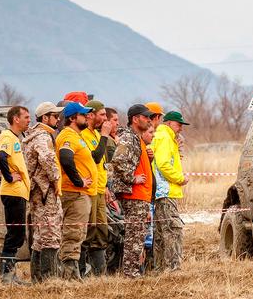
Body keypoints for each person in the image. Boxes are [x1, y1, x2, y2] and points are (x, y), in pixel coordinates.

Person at [112, 104, 155, 278]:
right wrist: (132, 178)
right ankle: (131, 274)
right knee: (134, 237)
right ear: (135, 119)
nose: (149, 120)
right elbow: (118, 160)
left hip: (141, 195)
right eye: (145, 117)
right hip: (134, 195)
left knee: (137, 236)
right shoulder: (129, 138)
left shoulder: (137, 139)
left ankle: (133, 272)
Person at [24, 102, 64, 282]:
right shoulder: (42, 136)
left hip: (37, 192)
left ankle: (38, 278)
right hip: (44, 191)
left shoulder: (33, 136)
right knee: (50, 233)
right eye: (55, 116)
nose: (58, 120)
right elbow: (47, 159)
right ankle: (49, 278)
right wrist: (56, 179)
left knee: (40, 235)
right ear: (45, 118)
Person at [55, 102, 96, 279]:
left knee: (78, 233)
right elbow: (65, 157)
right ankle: (69, 275)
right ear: (72, 118)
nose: (87, 117)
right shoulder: (68, 135)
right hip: (74, 193)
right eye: (83, 115)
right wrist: (78, 181)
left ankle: (71, 273)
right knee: (74, 232)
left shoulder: (76, 136)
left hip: (81, 193)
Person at [0, 106, 32, 285]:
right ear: (16, 119)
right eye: (26, 117)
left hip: (19, 192)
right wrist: (9, 177)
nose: (29, 120)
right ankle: (7, 276)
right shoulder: (7, 137)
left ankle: (10, 275)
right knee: (14, 234)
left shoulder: (16, 138)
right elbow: (1, 157)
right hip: (12, 192)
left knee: (17, 234)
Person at [151, 111, 189, 272]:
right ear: (168, 123)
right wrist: (180, 178)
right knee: (173, 230)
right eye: (178, 124)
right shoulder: (165, 137)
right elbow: (163, 164)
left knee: (161, 232)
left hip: (161, 191)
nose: (181, 128)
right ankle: (173, 268)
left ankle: (159, 269)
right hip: (166, 190)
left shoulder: (163, 136)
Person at [79, 100, 114, 276]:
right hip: (89, 190)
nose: (105, 119)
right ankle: (80, 270)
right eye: (102, 115)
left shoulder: (96, 135)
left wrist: (106, 186)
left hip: (100, 189)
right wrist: (105, 135)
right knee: (88, 229)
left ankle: (99, 273)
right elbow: (96, 157)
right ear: (91, 115)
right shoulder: (84, 135)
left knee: (101, 230)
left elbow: (103, 164)